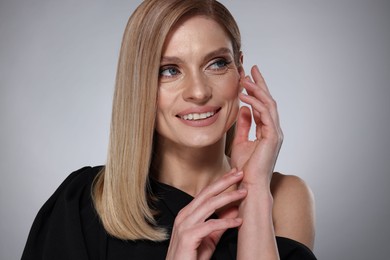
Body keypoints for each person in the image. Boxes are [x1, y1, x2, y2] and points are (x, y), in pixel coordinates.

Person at [22, 0, 316, 259]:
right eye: (169, 70)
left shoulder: (284, 196)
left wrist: (253, 191)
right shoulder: (81, 203)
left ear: (240, 71)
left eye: (216, 64)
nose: (199, 92)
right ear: (139, 83)